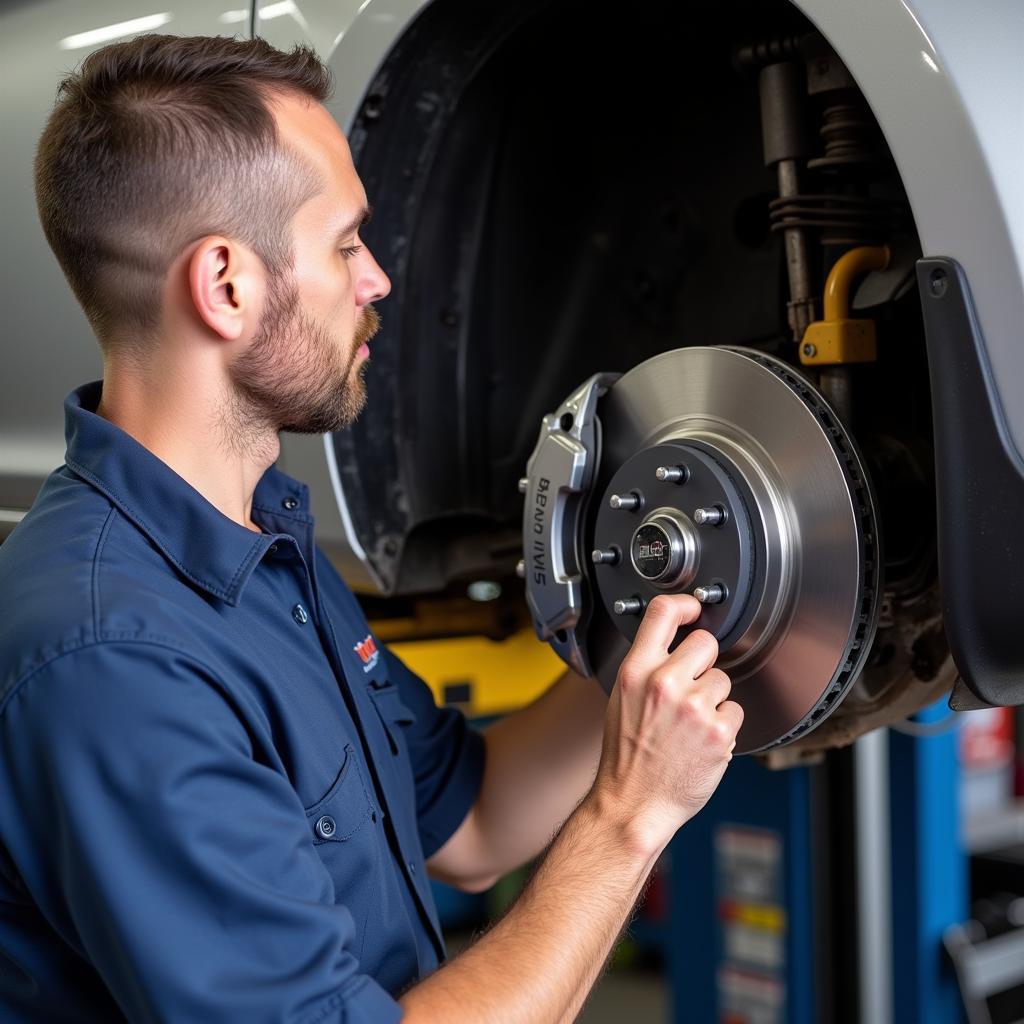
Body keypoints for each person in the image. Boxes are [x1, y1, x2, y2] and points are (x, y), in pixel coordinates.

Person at [0, 34, 743, 1023]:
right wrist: (631, 812)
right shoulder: (114, 662)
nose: (379, 279)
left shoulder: (260, 546)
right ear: (226, 284)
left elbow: (472, 818)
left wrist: (658, 629)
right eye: (346, 241)